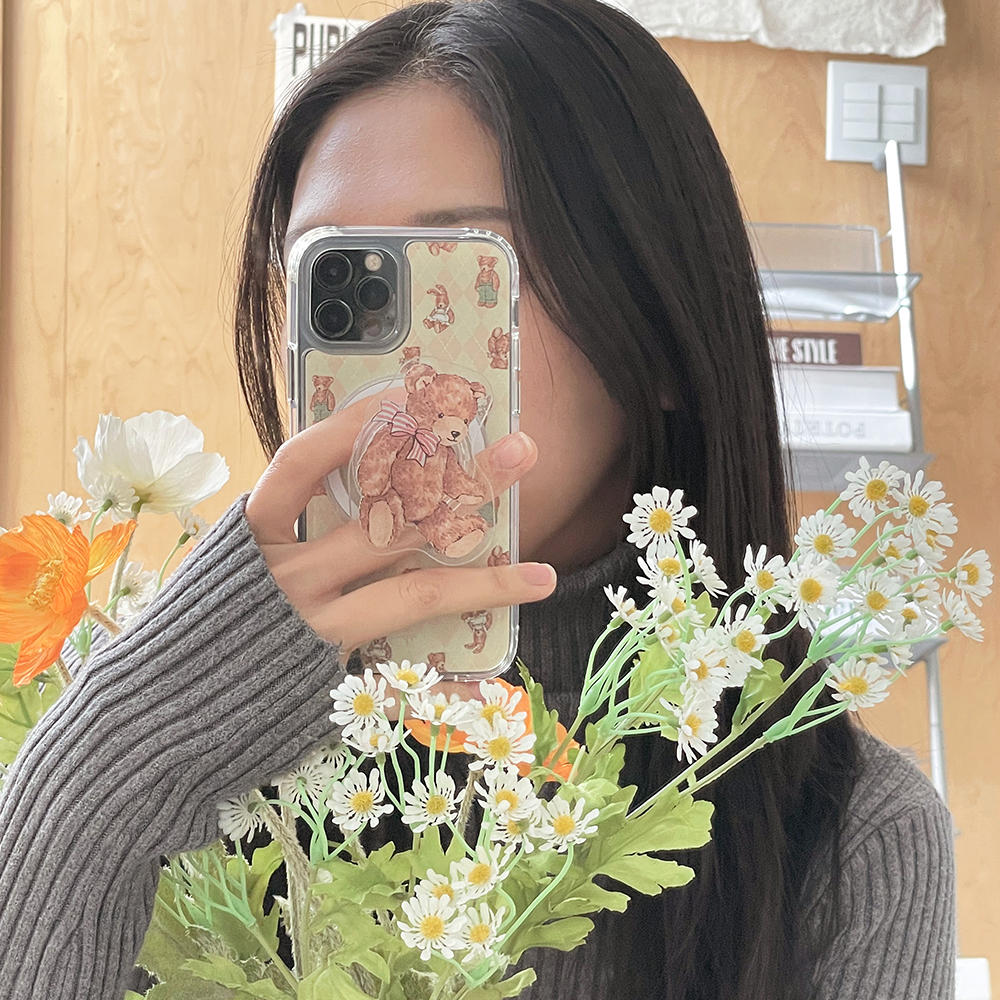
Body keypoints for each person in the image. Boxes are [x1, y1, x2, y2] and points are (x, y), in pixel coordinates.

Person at [0, 1, 955, 997]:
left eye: (461, 270)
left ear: (662, 332)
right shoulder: (174, 757)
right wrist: (106, 767)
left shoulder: (854, 845)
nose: (398, 379)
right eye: (338, 283)